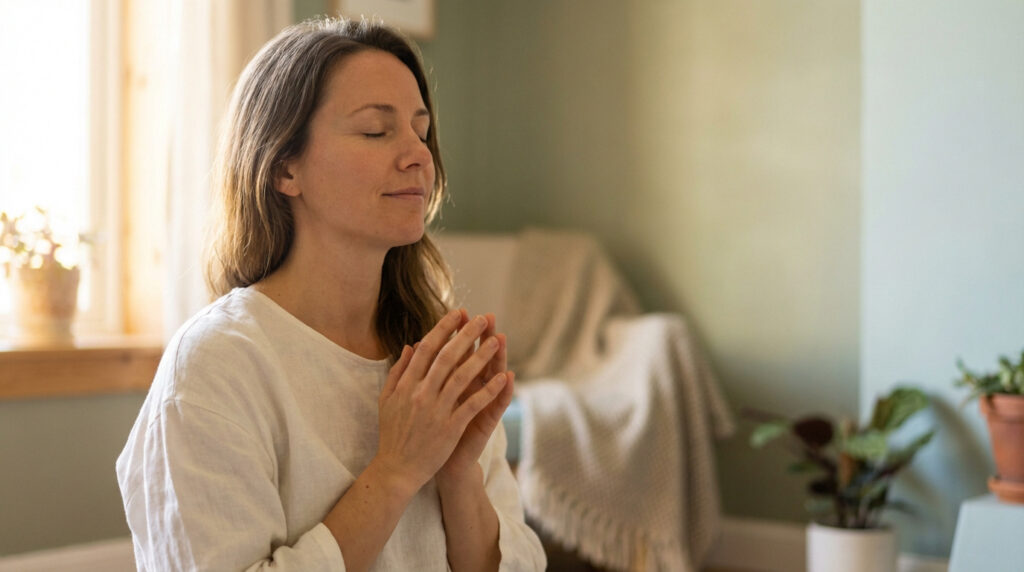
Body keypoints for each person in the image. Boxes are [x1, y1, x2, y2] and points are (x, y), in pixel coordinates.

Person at [115, 17, 546, 571]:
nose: (419, 155)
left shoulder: (432, 355)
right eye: (375, 131)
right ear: (283, 168)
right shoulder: (214, 367)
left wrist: (459, 471)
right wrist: (395, 471)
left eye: (421, 130)